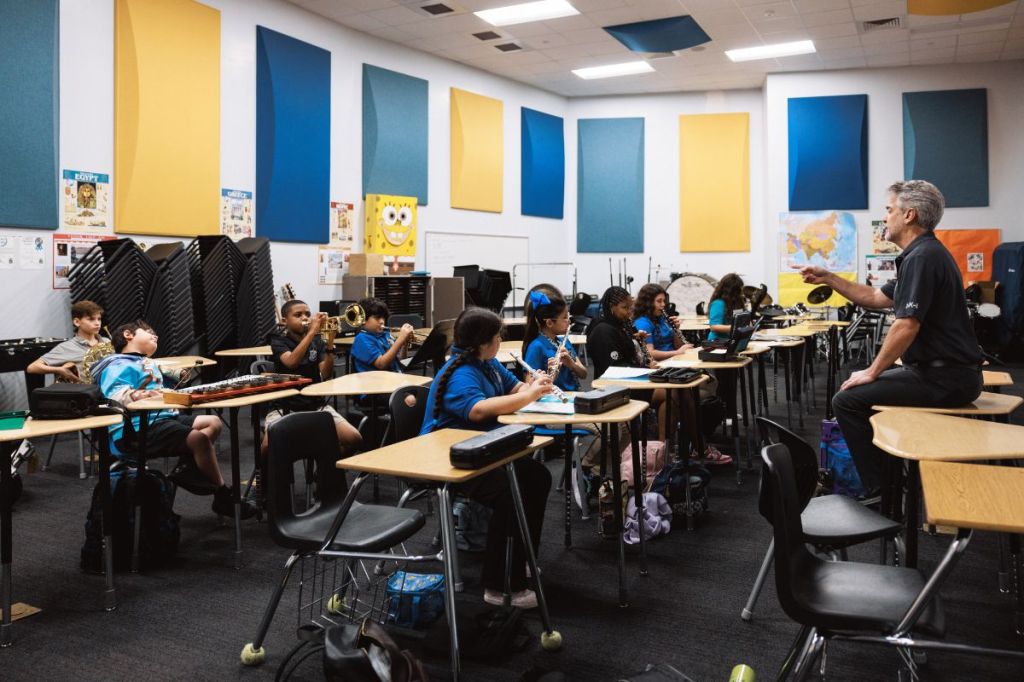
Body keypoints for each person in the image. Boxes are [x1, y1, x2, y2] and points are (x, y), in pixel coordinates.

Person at [801, 180, 982, 493]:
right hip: (943, 373)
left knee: (846, 401)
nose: (884, 217)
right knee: (859, 394)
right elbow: (873, 296)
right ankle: (892, 479)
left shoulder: (923, 257)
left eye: (888, 210)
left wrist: (872, 371)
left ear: (909, 215)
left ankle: (880, 491)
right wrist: (829, 278)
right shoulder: (922, 254)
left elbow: (906, 324)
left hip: (945, 378)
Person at [420, 308, 553, 609]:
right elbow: (477, 410)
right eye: (497, 337)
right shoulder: (460, 372)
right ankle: (500, 585)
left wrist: (531, 385)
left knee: (537, 477)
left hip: (478, 450)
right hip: (446, 459)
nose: (500, 341)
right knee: (511, 493)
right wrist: (530, 396)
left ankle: (520, 559)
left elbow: (513, 387)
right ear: (483, 342)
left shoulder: (487, 363)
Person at [90, 320, 258, 519]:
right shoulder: (117, 364)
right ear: (129, 335)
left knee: (212, 422)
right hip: (134, 428)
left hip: (160, 419)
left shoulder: (145, 362)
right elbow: (116, 395)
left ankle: (186, 469)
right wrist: (139, 395)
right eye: (149, 332)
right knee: (199, 440)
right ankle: (222, 496)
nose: (156, 336)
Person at [263, 300, 362, 454]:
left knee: (354, 439)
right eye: (298, 315)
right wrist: (311, 332)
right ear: (284, 321)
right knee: (268, 447)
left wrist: (330, 343)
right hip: (284, 405)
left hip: (315, 403)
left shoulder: (317, 341)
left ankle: (323, 469)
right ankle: (263, 476)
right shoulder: (278, 340)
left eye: (308, 314)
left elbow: (326, 374)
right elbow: (291, 362)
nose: (305, 318)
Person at [521, 288, 586, 391]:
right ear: (550, 323)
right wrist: (551, 375)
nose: (568, 321)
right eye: (564, 317)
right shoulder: (536, 347)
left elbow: (584, 374)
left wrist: (572, 365)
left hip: (573, 395)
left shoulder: (564, 342)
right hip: (551, 400)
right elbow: (529, 387)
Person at [28, 300, 109, 382]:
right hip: (89, 391)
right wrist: (59, 370)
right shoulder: (66, 347)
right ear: (77, 322)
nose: (97, 323)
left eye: (99, 319)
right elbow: (33, 367)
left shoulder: (107, 342)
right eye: (91, 319)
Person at [350, 297, 415, 374]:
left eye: (383, 317)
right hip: (375, 383)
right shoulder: (362, 339)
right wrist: (400, 339)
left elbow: (400, 362)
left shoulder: (385, 334)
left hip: (395, 378)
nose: (382, 321)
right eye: (377, 318)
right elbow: (381, 364)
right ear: (363, 320)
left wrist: (404, 344)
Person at [632, 283, 694, 361]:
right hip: (661, 365)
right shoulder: (643, 323)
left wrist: (676, 330)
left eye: (663, 301)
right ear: (648, 303)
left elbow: (678, 345)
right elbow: (650, 353)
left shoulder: (662, 318)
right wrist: (677, 353)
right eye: (659, 301)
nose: (663, 304)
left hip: (674, 359)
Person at [707, 274, 745, 341]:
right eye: (738, 290)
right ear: (731, 290)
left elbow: (741, 317)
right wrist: (735, 327)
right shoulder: (718, 303)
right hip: (718, 341)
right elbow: (714, 326)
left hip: (732, 339)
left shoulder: (736, 302)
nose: (741, 293)